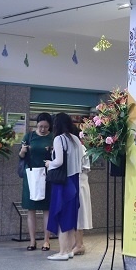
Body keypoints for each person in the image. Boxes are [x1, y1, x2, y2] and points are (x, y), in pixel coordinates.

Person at [44, 112, 84, 261]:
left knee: (60, 215)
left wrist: (49, 163)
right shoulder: (76, 139)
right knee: (70, 217)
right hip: (75, 180)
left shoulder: (59, 139)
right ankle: (68, 250)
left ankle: (62, 252)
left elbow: (59, 161)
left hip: (63, 182)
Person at [18, 112, 54, 251]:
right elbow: (21, 156)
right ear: (36, 125)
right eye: (40, 126)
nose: (43, 129)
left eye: (46, 127)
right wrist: (23, 151)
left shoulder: (53, 138)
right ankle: (32, 241)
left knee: (46, 209)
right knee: (31, 208)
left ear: (50, 126)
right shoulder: (29, 136)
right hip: (31, 175)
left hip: (47, 176)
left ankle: (46, 241)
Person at [72, 141, 93, 255]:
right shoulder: (80, 147)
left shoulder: (79, 147)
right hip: (79, 180)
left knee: (79, 213)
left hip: (78, 180)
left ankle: (79, 244)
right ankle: (77, 242)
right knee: (77, 213)